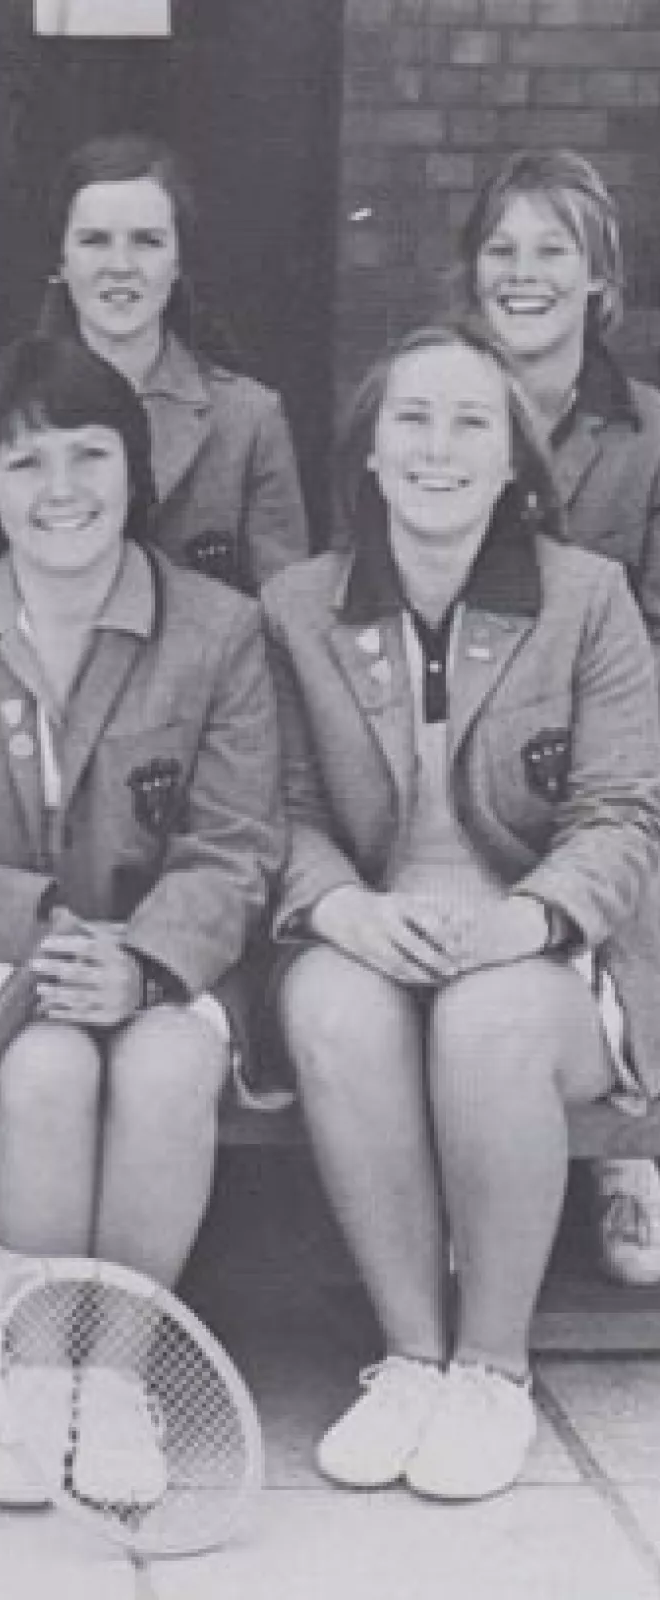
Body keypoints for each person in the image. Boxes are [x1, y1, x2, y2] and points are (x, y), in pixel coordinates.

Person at [0, 335, 282, 1509]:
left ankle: (118, 1372)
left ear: (137, 474)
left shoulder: (220, 629)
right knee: (38, 1066)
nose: (62, 489)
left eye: (91, 455)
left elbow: (236, 845)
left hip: (156, 961)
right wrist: (40, 927)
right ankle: (34, 1377)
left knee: (162, 1070)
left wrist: (143, 960)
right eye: (25, 461)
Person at [264, 322, 660, 1503]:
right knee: (330, 1011)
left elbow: (620, 814)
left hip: (545, 946)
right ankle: (410, 1358)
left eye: (470, 423)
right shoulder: (293, 604)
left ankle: (492, 1366)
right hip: (373, 921)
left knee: (487, 1021)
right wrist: (335, 905)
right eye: (411, 421)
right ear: (369, 456)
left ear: (513, 467)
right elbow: (271, 807)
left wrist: (527, 918)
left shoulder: (586, 598)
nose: (438, 447)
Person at [453, 149, 660, 1288]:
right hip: (458, 742)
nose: (521, 274)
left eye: (552, 252)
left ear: (598, 279)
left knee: (631, 841)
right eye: (500, 249)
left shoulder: (649, 432)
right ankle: (456, 1166)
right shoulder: (430, 407)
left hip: (613, 738)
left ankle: (628, 1150)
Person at [0, 131, 309, 594]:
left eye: (147, 241)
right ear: (61, 260)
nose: (120, 265)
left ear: (178, 259)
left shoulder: (248, 421)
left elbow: (284, 614)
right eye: (94, 241)